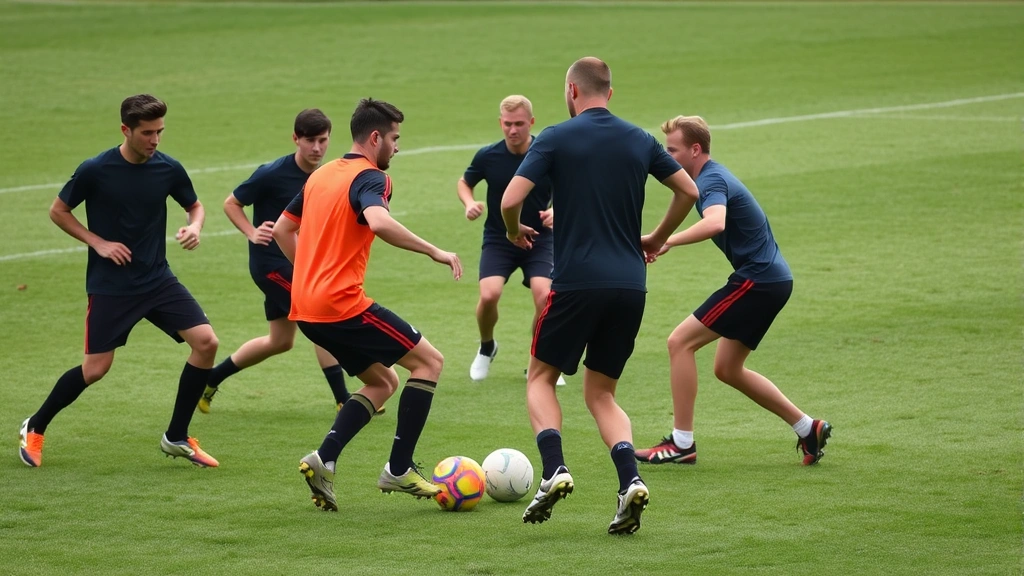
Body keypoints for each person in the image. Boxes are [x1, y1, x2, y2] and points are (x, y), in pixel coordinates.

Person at [501, 57, 699, 534]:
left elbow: (510, 200)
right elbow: (689, 191)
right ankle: (629, 480)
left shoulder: (554, 137)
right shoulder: (639, 139)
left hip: (575, 283)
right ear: (608, 94)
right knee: (602, 392)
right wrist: (654, 238)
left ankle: (554, 470)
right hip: (630, 286)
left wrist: (513, 232)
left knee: (540, 378)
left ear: (572, 91)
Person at [272, 98, 462, 512]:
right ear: (375, 138)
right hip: (341, 305)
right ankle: (398, 467)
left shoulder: (322, 175)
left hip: (306, 307)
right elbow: (378, 221)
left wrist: (308, 273)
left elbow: (284, 229)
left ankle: (323, 459)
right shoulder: (371, 177)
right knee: (429, 362)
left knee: (383, 383)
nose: (396, 147)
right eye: (394, 139)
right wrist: (435, 251)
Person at [18, 94, 220, 468]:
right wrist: (98, 242)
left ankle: (176, 436)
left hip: (157, 280)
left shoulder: (168, 168)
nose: (155, 140)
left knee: (206, 342)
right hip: (111, 286)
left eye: (160, 131)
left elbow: (194, 204)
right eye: (147, 133)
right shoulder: (96, 169)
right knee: (96, 369)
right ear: (126, 130)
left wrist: (194, 225)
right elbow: (58, 211)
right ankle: (35, 425)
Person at [635, 115, 831, 467]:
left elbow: (716, 222)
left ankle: (681, 444)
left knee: (679, 342)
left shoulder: (710, 180)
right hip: (770, 279)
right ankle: (807, 427)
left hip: (759, 279)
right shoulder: (706, 178)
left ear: (696, 150)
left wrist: (665, 240)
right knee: (727, 368)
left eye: (672, 150)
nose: (666, 156)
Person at [198, 109, 381, 416]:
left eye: (323, 140)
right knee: (320, 317)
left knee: (280, 340)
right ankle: (342, 398)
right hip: (273, 264)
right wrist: (251, 232)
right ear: (296, 139)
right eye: (310, 141)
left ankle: (210, 378)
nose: (317, 148)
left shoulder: (327, 175)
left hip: (303, 263)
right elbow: (232, 202)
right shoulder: (271, 173)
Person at [458, 95, 564, 386]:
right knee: (489, 295)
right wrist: (469, 203)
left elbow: (570, 185)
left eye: (519, 124)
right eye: (507, 124)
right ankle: (486, 346)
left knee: (545, 297)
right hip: (499, 237)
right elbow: (465, 182)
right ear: (500, 123)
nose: (513, 130)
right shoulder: (488, 156)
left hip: (540, 239)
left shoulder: (547, 154)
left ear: (531, 122)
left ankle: (538, 361)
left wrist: (559, 208)